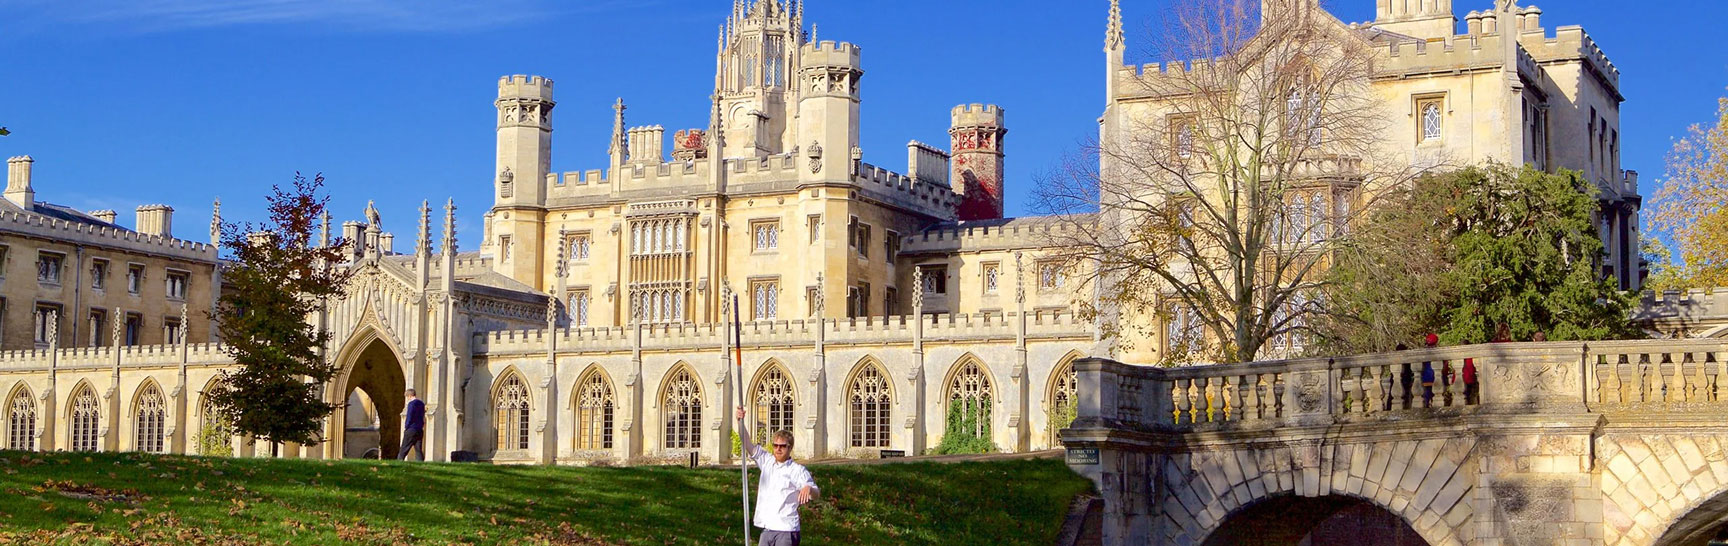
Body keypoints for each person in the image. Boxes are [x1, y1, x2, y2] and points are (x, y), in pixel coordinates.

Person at [736, 406, 819, 546]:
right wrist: (740, 421)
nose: (778, 449)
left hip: (786, 530)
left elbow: (816, 493)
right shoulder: (766, 461)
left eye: (782, 446)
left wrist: (808, 489)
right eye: (775, 445)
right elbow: (747, 444)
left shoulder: (797, 470)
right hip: (767, 529)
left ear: (790, 447)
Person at [399, 389, 425, 460]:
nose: (407, 399)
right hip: (419, 429)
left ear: (410, 396)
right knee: (418, 449)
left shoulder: (411, 404)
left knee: (404, 448)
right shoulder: (422, 404)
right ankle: (420, 464)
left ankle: (399, 461)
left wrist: (406, 426)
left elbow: (409, 416)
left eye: (407, 397)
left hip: (411, 429)